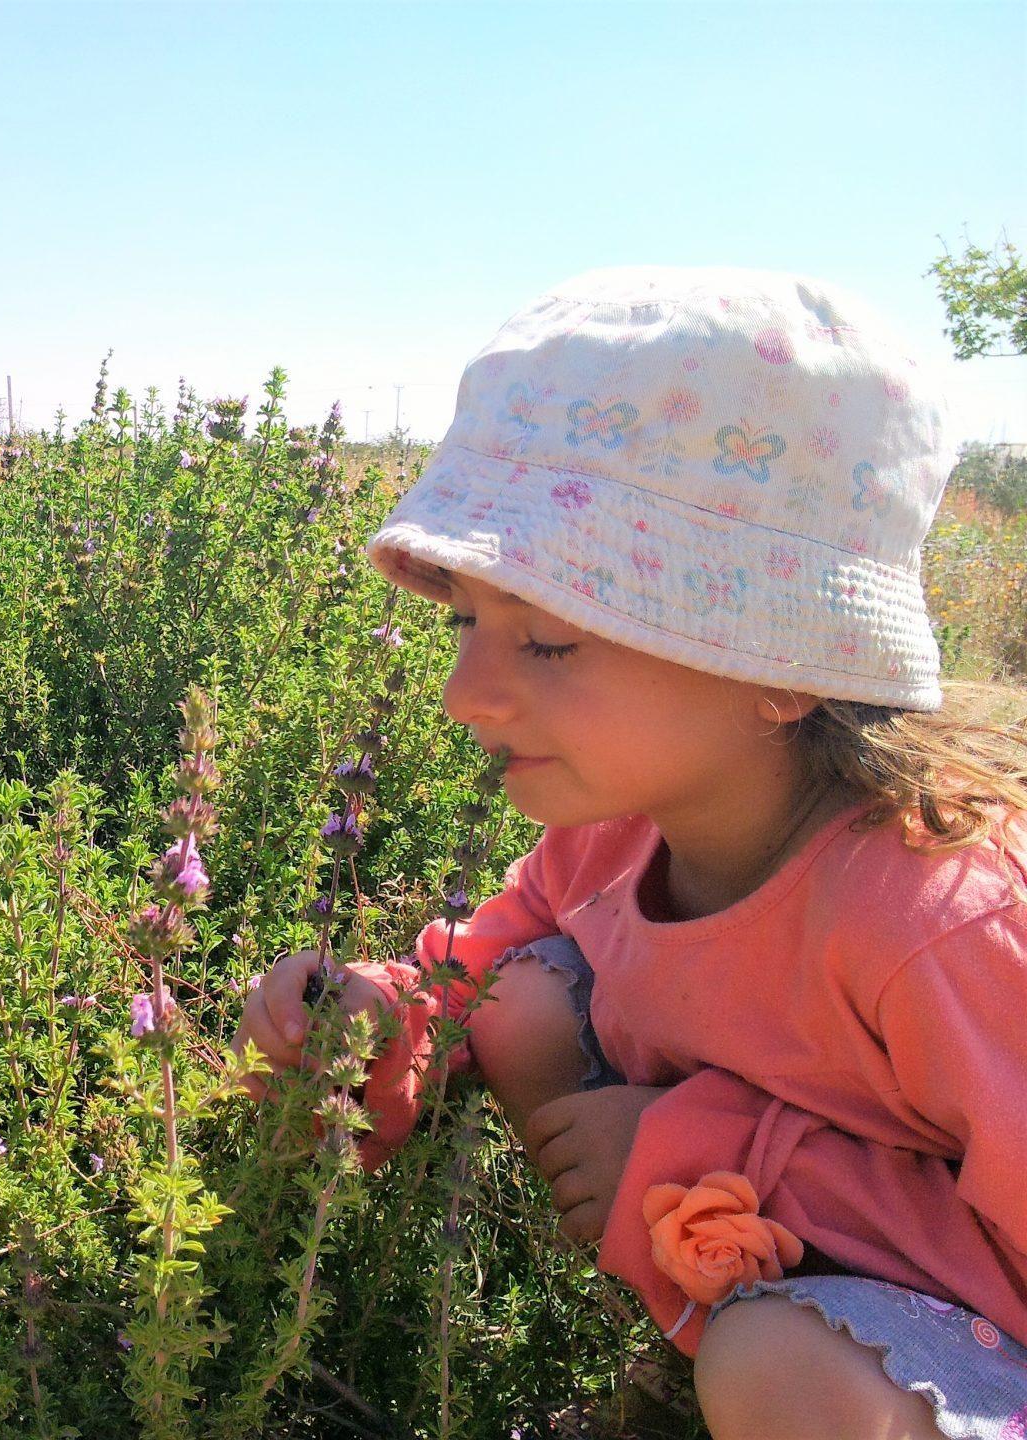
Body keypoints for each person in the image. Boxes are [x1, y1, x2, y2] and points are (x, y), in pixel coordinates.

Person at [230, 267, 1027, 1439]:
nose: (463, 696)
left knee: (780, 1375)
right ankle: (680, 1354)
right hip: (816, 1265)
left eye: (549, 642)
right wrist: (371, 1023)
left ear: (782, 672)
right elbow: (477, 965)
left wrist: (708, 1162)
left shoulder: (938, 923)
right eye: (467, 621)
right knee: (521, 997)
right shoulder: (610, 836)